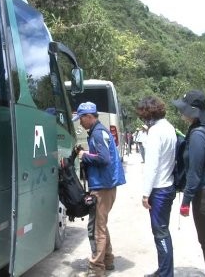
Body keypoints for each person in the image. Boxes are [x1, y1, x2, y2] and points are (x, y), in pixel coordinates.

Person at [172, 90, 205, 277]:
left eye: (184, 109)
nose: (181, 113)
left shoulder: (197, 135)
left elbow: (194, 173)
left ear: (193, 111)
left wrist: (186, 201)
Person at [73, 101, 127, 277]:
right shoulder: (99, 131)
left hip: (102, 187)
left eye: (81, 119)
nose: (80, 123)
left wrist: (84, 155)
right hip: (106, 185)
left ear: (89, 117)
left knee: (97, 228)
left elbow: (104, 159)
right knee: (101, 225)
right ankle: (109, 259)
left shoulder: (98, 133)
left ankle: (96, 268)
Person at [136, 96, 177, 277]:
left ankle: (166, 273)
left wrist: (145, 194)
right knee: (163, 231)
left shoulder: (155, 132)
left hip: (158, 189)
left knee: (160, 234)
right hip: (168, 185)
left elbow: (152, 165)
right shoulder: (169, 128)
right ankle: (163, 270)